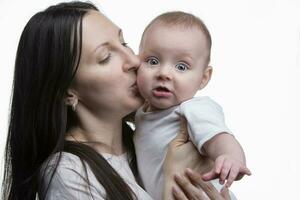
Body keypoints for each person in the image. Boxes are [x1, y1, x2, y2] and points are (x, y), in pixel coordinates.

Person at [2, 2, 230, 200]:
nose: (133, 60)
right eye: (105, 57)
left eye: (124, 43)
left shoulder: (145, 141)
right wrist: (174, 179)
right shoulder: (68, 173)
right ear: (67, 92)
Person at [134, 11, 251, 200]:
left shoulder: (193, 109)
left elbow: (220, 138)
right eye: (153, 61)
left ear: (203, 78)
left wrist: (230, 158)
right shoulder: (141, 111)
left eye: (181, 67)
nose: (164, 73)